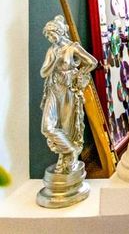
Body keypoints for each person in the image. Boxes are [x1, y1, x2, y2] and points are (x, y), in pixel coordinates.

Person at [40, 16, 98, 174]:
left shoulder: (73, 48)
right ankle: (70, 150)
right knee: (47, 127)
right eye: (48, 36)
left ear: (59, 32)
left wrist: (80, 75)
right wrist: (54, 60)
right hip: (53, 89)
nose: (50, 38)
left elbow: (92, 62)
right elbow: (43, 72)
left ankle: (66, 158)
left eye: (52, 34)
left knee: (67, 127)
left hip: (68, 90)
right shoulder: (52, 50)